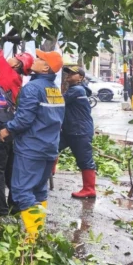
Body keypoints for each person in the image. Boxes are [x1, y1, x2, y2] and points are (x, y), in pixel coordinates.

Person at [0, 50, 65, 242]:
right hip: (49, 148)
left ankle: (33, 236)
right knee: (39, 189)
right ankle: (37, 231)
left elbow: (24, 119)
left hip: (31, 148)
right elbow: (59, 121)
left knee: (21, 190)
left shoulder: (33, 88)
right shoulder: (55, 91)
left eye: (39, 59)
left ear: (45, 67)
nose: (34, 60)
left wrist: (7, 129)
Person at [0, 15, 34, 216]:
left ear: (17, 63)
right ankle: (13, 204)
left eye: (15, 57)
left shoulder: (8, 72)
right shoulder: (12, 77)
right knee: (9, 168)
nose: (11, 56)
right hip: (9, 126)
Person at [60, 66, 97, 199]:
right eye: (68, 73)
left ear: (81, 78)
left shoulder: (77, 90)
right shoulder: (76, 89)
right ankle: (47, 174)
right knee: (51, 148)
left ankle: (89, 189)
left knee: (85, 159)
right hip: (70, 130)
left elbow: (58, 102)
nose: (68, 75)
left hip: (79, 131)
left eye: (73, 73)